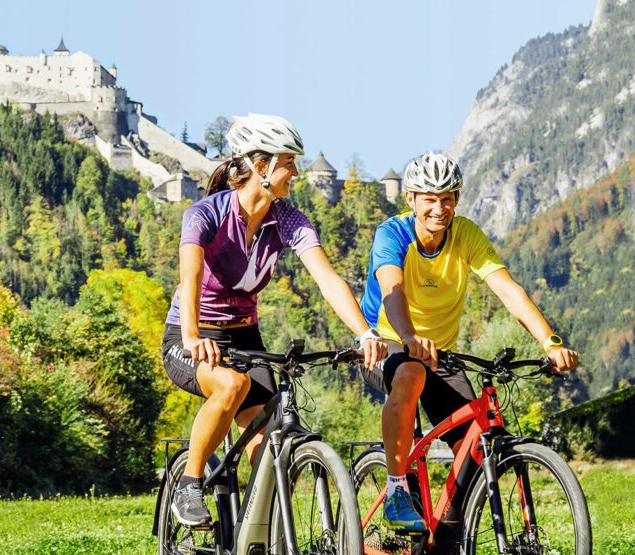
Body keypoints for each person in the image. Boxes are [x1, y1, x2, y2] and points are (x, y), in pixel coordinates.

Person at [162, 113, 387, 526]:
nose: (296, 172)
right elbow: (189, 277)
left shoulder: (286, 220)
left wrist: (364, 332)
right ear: (260, 166)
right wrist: (193, 337)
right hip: (191, 333)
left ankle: (258, 531)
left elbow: (328, 280)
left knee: (269, 442)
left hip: (245, 336)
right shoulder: (205, 214)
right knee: (230, 384)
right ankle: (189, 483)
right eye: (288, 162)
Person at [360, 152, 579, 533]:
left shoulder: (466, 235)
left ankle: (448, 528)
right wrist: (409, 337)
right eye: (429, 198)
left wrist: (550, 341)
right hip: (386, 344)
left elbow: (508, 290)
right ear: (410, 198)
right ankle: (397, 491)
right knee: (410, 372)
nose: (439, 208)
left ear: (457, 199)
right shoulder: (392, 234)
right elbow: (392, 290)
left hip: (440, 356)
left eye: (447, 198)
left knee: (475, 447)